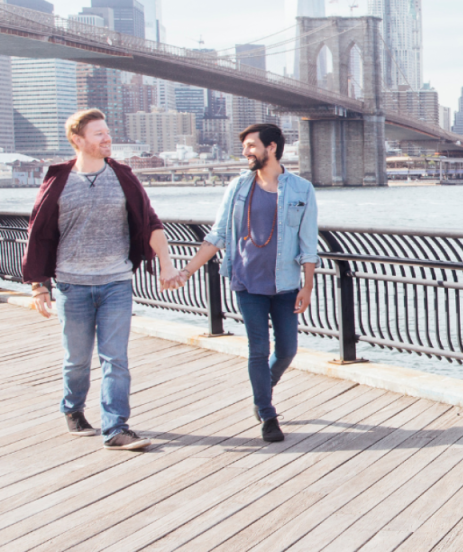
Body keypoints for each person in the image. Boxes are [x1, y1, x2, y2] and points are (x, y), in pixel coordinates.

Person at [23, 109, 180, 450]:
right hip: (72, 284)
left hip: (116, 283)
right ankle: (73, 409)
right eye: (99, 134)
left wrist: (166, 265)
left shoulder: (123, 176)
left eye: (107, 132)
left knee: (115, 359)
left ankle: (116, 428)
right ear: (78, 140)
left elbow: (151, 223)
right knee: (77, 359)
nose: (107, 138)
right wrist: (39, 284)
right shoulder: (59, 180)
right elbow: (40, 233)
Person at [170, 123, 318, 443]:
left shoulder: (301, 189)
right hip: (247, 282)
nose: (246, 151)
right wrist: (187, 271)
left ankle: (264, 386)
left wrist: (307, 287)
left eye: (251, 145)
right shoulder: (238, 187)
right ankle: (266, 413)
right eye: (245, 147)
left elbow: (308, 244)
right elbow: (218, 235)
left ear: (272, 148)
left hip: (286, 284)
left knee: (288, 350)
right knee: (258, 349)